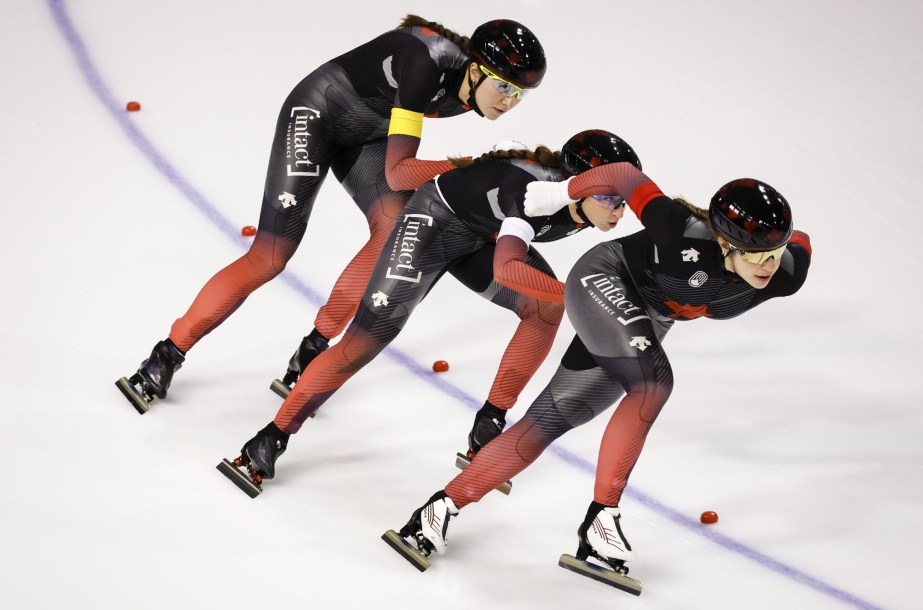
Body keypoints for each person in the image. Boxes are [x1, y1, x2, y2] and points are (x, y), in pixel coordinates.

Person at [388, 166, 812, 592]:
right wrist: (557, 194)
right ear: (723, 241)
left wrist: (781, 244)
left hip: (647, 316)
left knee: (554, 417)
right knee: (653, 385)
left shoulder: (786, 273)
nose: (769, 266)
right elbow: (626, 175)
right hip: (604, 280)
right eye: (756, 256)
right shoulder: (678, 229)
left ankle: (436, 511)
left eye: (774, 253)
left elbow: (802, 244)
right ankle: (601, 520)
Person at [115, 15, 547, 414]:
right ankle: (166, 353)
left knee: (393, 229)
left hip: (368, 136)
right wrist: (467, 168)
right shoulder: (426, 67)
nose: (510, 101)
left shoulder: (470, 91)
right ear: (474, 71)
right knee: (270, 256)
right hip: (317, 115)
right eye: (504, 87)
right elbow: (399, 173)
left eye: (520, 94)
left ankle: (314, 347)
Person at [217, 130, 644, 497]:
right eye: (610, 199)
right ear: (579, 186)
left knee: (545, 308)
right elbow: (507, 269)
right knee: (366, 341)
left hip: (481, 233)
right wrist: (576, 293)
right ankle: (268, 439)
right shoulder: (538, 195)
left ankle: (488, 425)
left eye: (622, 202)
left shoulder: (578, 206)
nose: (618, 212)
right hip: (431, 226)